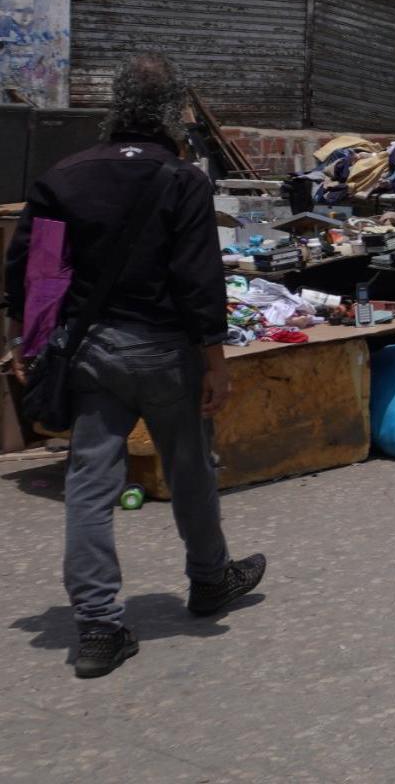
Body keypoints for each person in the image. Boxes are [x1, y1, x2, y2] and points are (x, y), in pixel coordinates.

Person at [3, 54, 266, 678]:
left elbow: (35, 269)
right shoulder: (181, 179)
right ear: (171, 111)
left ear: (116, 106)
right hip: (169, 354)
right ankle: (210, 579)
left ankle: (98, 625)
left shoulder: (64, 175)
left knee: (89, 487)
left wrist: (24, 342)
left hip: (93, 353)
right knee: (191, 469)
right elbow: (198, 280)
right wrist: (216, 363)